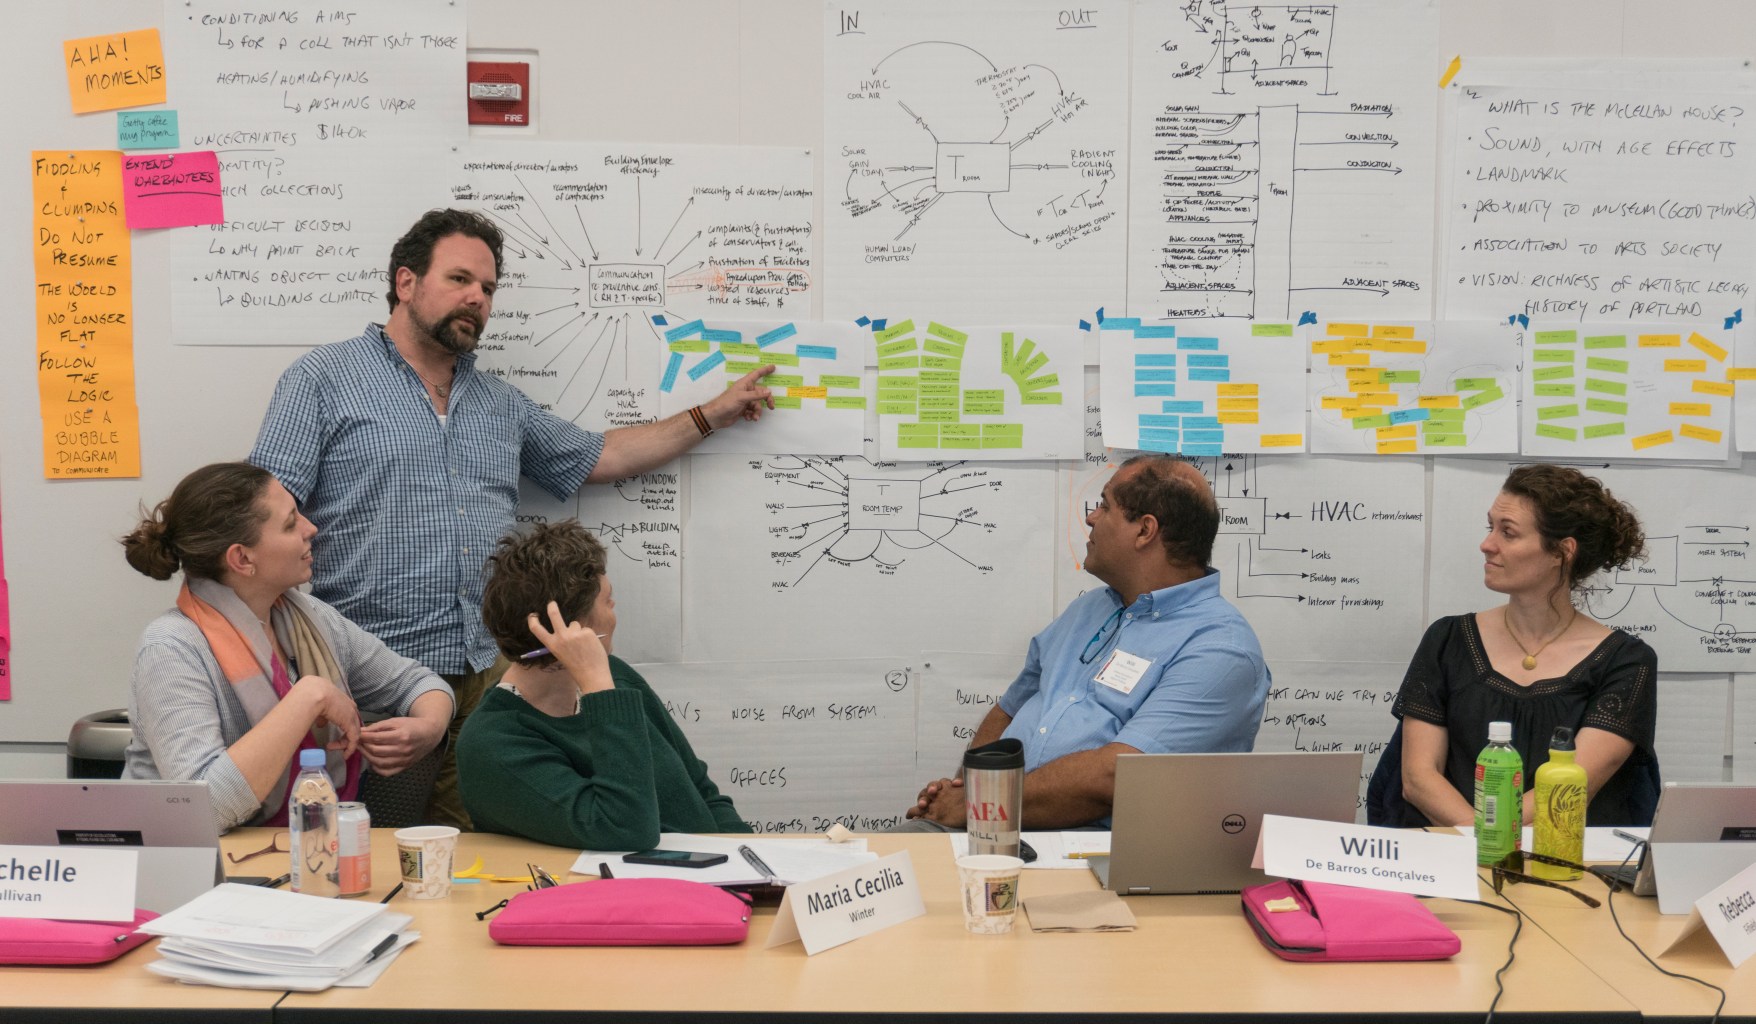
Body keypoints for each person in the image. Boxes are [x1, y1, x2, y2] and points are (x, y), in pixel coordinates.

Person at [249, 208, 775, 829]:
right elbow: (263, 518)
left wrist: (711, 414)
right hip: (377, 677)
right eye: (460, 279)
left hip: (491, 675)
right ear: (406, 282)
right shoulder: (321, 380)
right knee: (372, 851)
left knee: (479, 859)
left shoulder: (499, 404)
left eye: (489, 289)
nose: (477, 297)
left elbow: (600, 456)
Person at [905, 455, 1272, 830]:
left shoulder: (1220, 650)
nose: (1091, 517)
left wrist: (978, 807)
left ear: (1145, 531)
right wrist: (964, 792)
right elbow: (1009, 710)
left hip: (1089, 856)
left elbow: (1116, 777)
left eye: (1105, 505)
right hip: (995, 827)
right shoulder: (1089, 609)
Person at [120, 462, 454, 832]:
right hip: (195, 874)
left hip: (305, 854)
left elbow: (418, 682)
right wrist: (309, 696)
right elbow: (205, 808)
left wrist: (430, 727)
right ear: (242, 559)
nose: (311, 528)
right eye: (290, 523)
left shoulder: (307, 616)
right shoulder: (171, 648)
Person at [1393, 464, 1658, 827]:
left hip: (1561, 868)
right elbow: (1418, 780)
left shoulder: (1626, 663)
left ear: (1561, 552)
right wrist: (1483, 845)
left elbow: (1565, 792)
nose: (1487, 544)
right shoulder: (1447, 639)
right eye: (1491, 527)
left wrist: (1493, 844)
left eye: (1509, 532)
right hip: (1445, 863)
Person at [455, 520, 747, 849]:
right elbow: (625, 829)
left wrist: (751, 856)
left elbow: (698, 789)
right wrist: (598, 689)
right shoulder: (493, 745)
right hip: (640, 891)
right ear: (572, 631)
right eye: (608, 601)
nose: (614, 612)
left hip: (719, 879)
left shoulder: (616, 676)